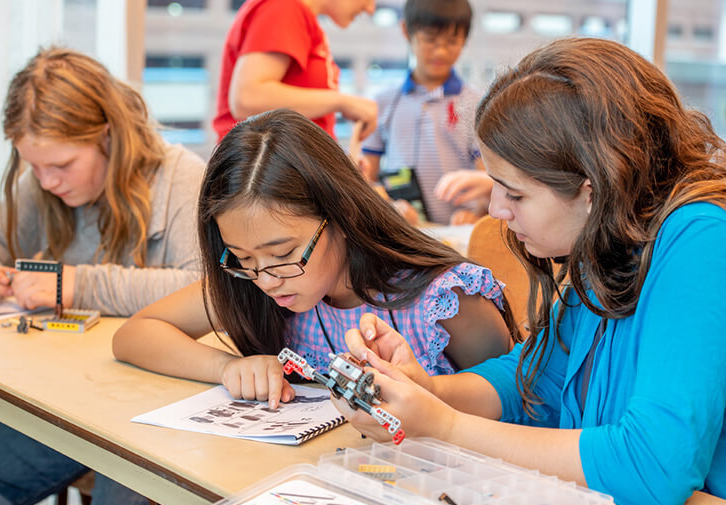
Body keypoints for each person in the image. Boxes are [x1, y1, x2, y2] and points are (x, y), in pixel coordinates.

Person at [334, 37, 726, 505]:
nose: (497, 210)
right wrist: (429, 393)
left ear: (592, 188)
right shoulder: (607, 238)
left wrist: (444, 426)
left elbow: (653, 466)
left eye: (514, 194)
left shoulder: (702, 242)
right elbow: (533, 381)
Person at [0, 47, 206, 505]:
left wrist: (76, 284)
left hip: (156, 413)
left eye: (62, 165)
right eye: (34, 165)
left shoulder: (181, 178)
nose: (47, 181)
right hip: (68, 403)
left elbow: (204, 288)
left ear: (108, 136)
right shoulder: (46, 185)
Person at [113, 108, 519, 414]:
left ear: (341, 216)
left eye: (284, 254)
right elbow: (137, 334)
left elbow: (520, 407)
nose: (267, 280)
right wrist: (227, 367)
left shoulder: (444, 300)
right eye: (242, 258)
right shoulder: (255, 283)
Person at [361, 0, 492, 225]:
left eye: (452, 41)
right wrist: (387, 208)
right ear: (406, 31)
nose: (440, 51)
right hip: (400, 229)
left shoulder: (477, 104)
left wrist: (477, 212)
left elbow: (488, 176)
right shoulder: (382, 102)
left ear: (465, 39)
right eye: (430, 40)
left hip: (457, 232)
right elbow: (365, 178)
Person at [212, 0, 378, 142]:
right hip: (270, 172)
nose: (371, 9)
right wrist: (341, 102)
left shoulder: (300, 17)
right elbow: (247, 99)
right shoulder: (284, 7)